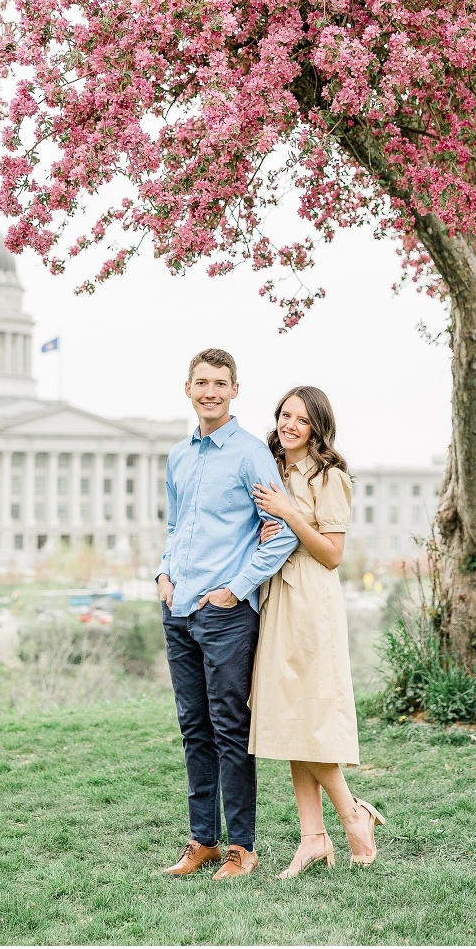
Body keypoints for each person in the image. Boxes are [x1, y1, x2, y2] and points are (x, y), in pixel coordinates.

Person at [156, 348, 299, 880]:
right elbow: (176, 527)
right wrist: (164, 576)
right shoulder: (178, 456)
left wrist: (234, 590)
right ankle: (203, 842)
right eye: (201, 382)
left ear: (235, 390)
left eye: (220, 383)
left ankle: (242, 847)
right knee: (194, 729)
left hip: (224, 615)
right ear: (187, 388)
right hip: (179, 609)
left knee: (229, 729)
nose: (210, 391)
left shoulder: (249, 455)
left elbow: (280, 531)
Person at [249, 385, 385, 877]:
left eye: (301, 420)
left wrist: (288, 515)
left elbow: (331, 553)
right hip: (276, 597)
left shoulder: (330, 477)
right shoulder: (272, 466)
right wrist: (267, 528)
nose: (288, 425)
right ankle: (313, 838)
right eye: (284, 415)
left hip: (311, 602)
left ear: (317, 428)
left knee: (311, 718)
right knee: (289, 719)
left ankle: (352, 815)